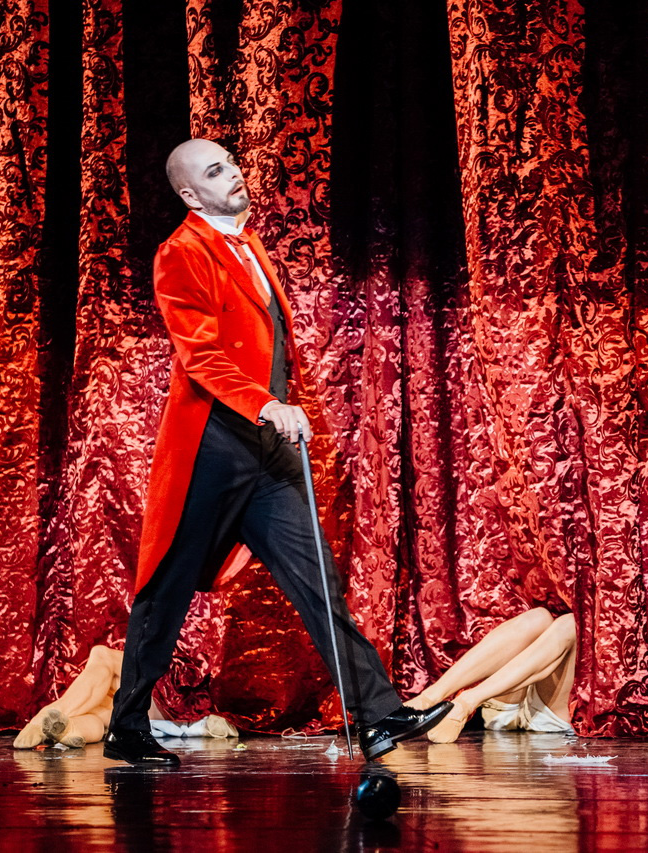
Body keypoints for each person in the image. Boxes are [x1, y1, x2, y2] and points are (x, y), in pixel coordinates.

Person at [102, 139, 451, 766]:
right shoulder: (180, 254)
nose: (233, 175)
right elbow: (201, 356)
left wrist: (271, 411)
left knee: (319, 579)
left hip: (265, 452)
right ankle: (126, 728)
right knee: (168, 586)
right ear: (189, 194)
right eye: (215, 172)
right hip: (211, 446)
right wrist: (266, 404)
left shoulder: (247, 241)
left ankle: (377, 715)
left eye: (231, 163)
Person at [403, 608, 576, 743]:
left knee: (569, 624)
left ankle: (466, 703)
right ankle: (427, 699)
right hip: (504, 706)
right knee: (538, 617)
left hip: (547, 717)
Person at [13, 645, 237, 749]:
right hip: (148, 703)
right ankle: (71, 728)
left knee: (102, 655)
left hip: (175, 689)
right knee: (100, 716)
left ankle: (42, 718)